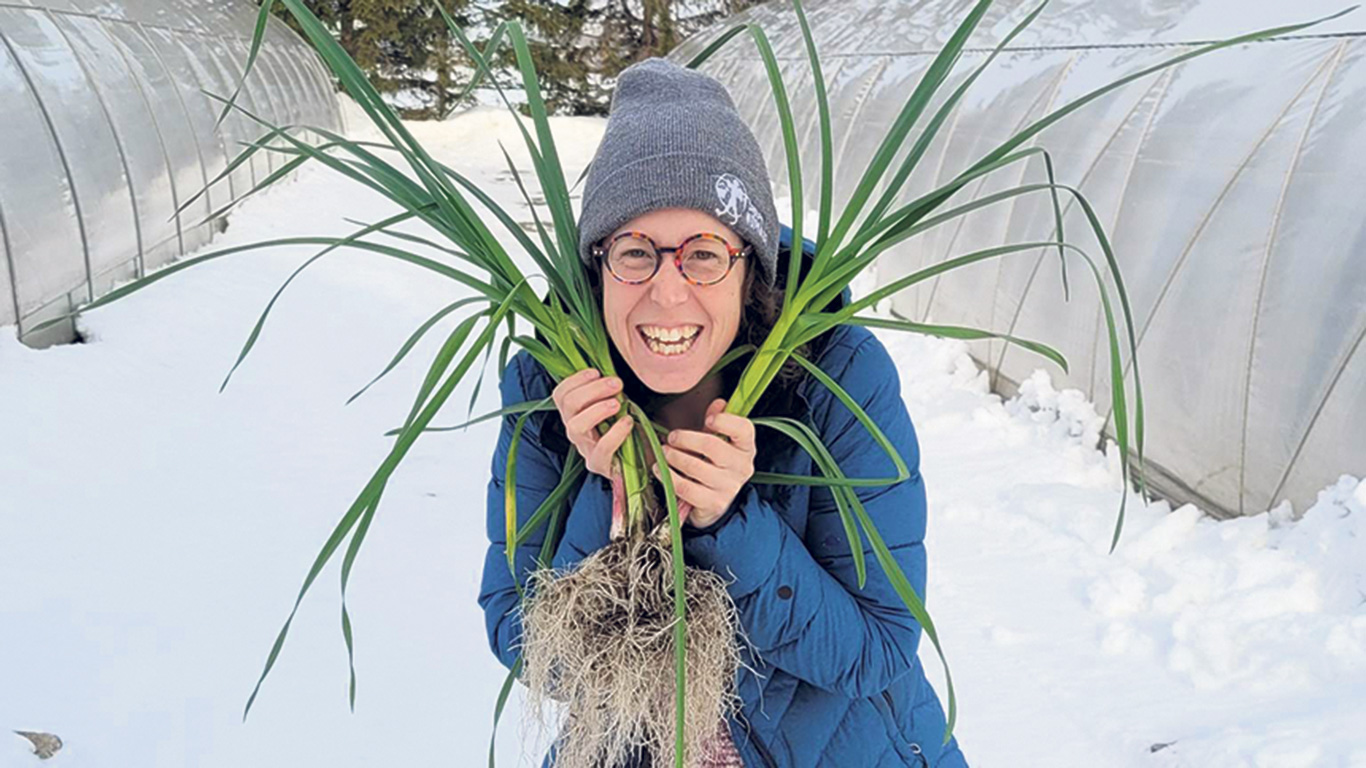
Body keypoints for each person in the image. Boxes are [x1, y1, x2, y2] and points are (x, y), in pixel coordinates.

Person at [479, 57, 968, 767]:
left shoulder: (836, 376)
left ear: (750, 265)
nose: (668, 294)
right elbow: (529, 646)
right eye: (636, 251)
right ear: (597, 262)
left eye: (704, 254)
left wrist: (730, 523)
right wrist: (602, 490)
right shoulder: (550, 393)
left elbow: (876, 651)